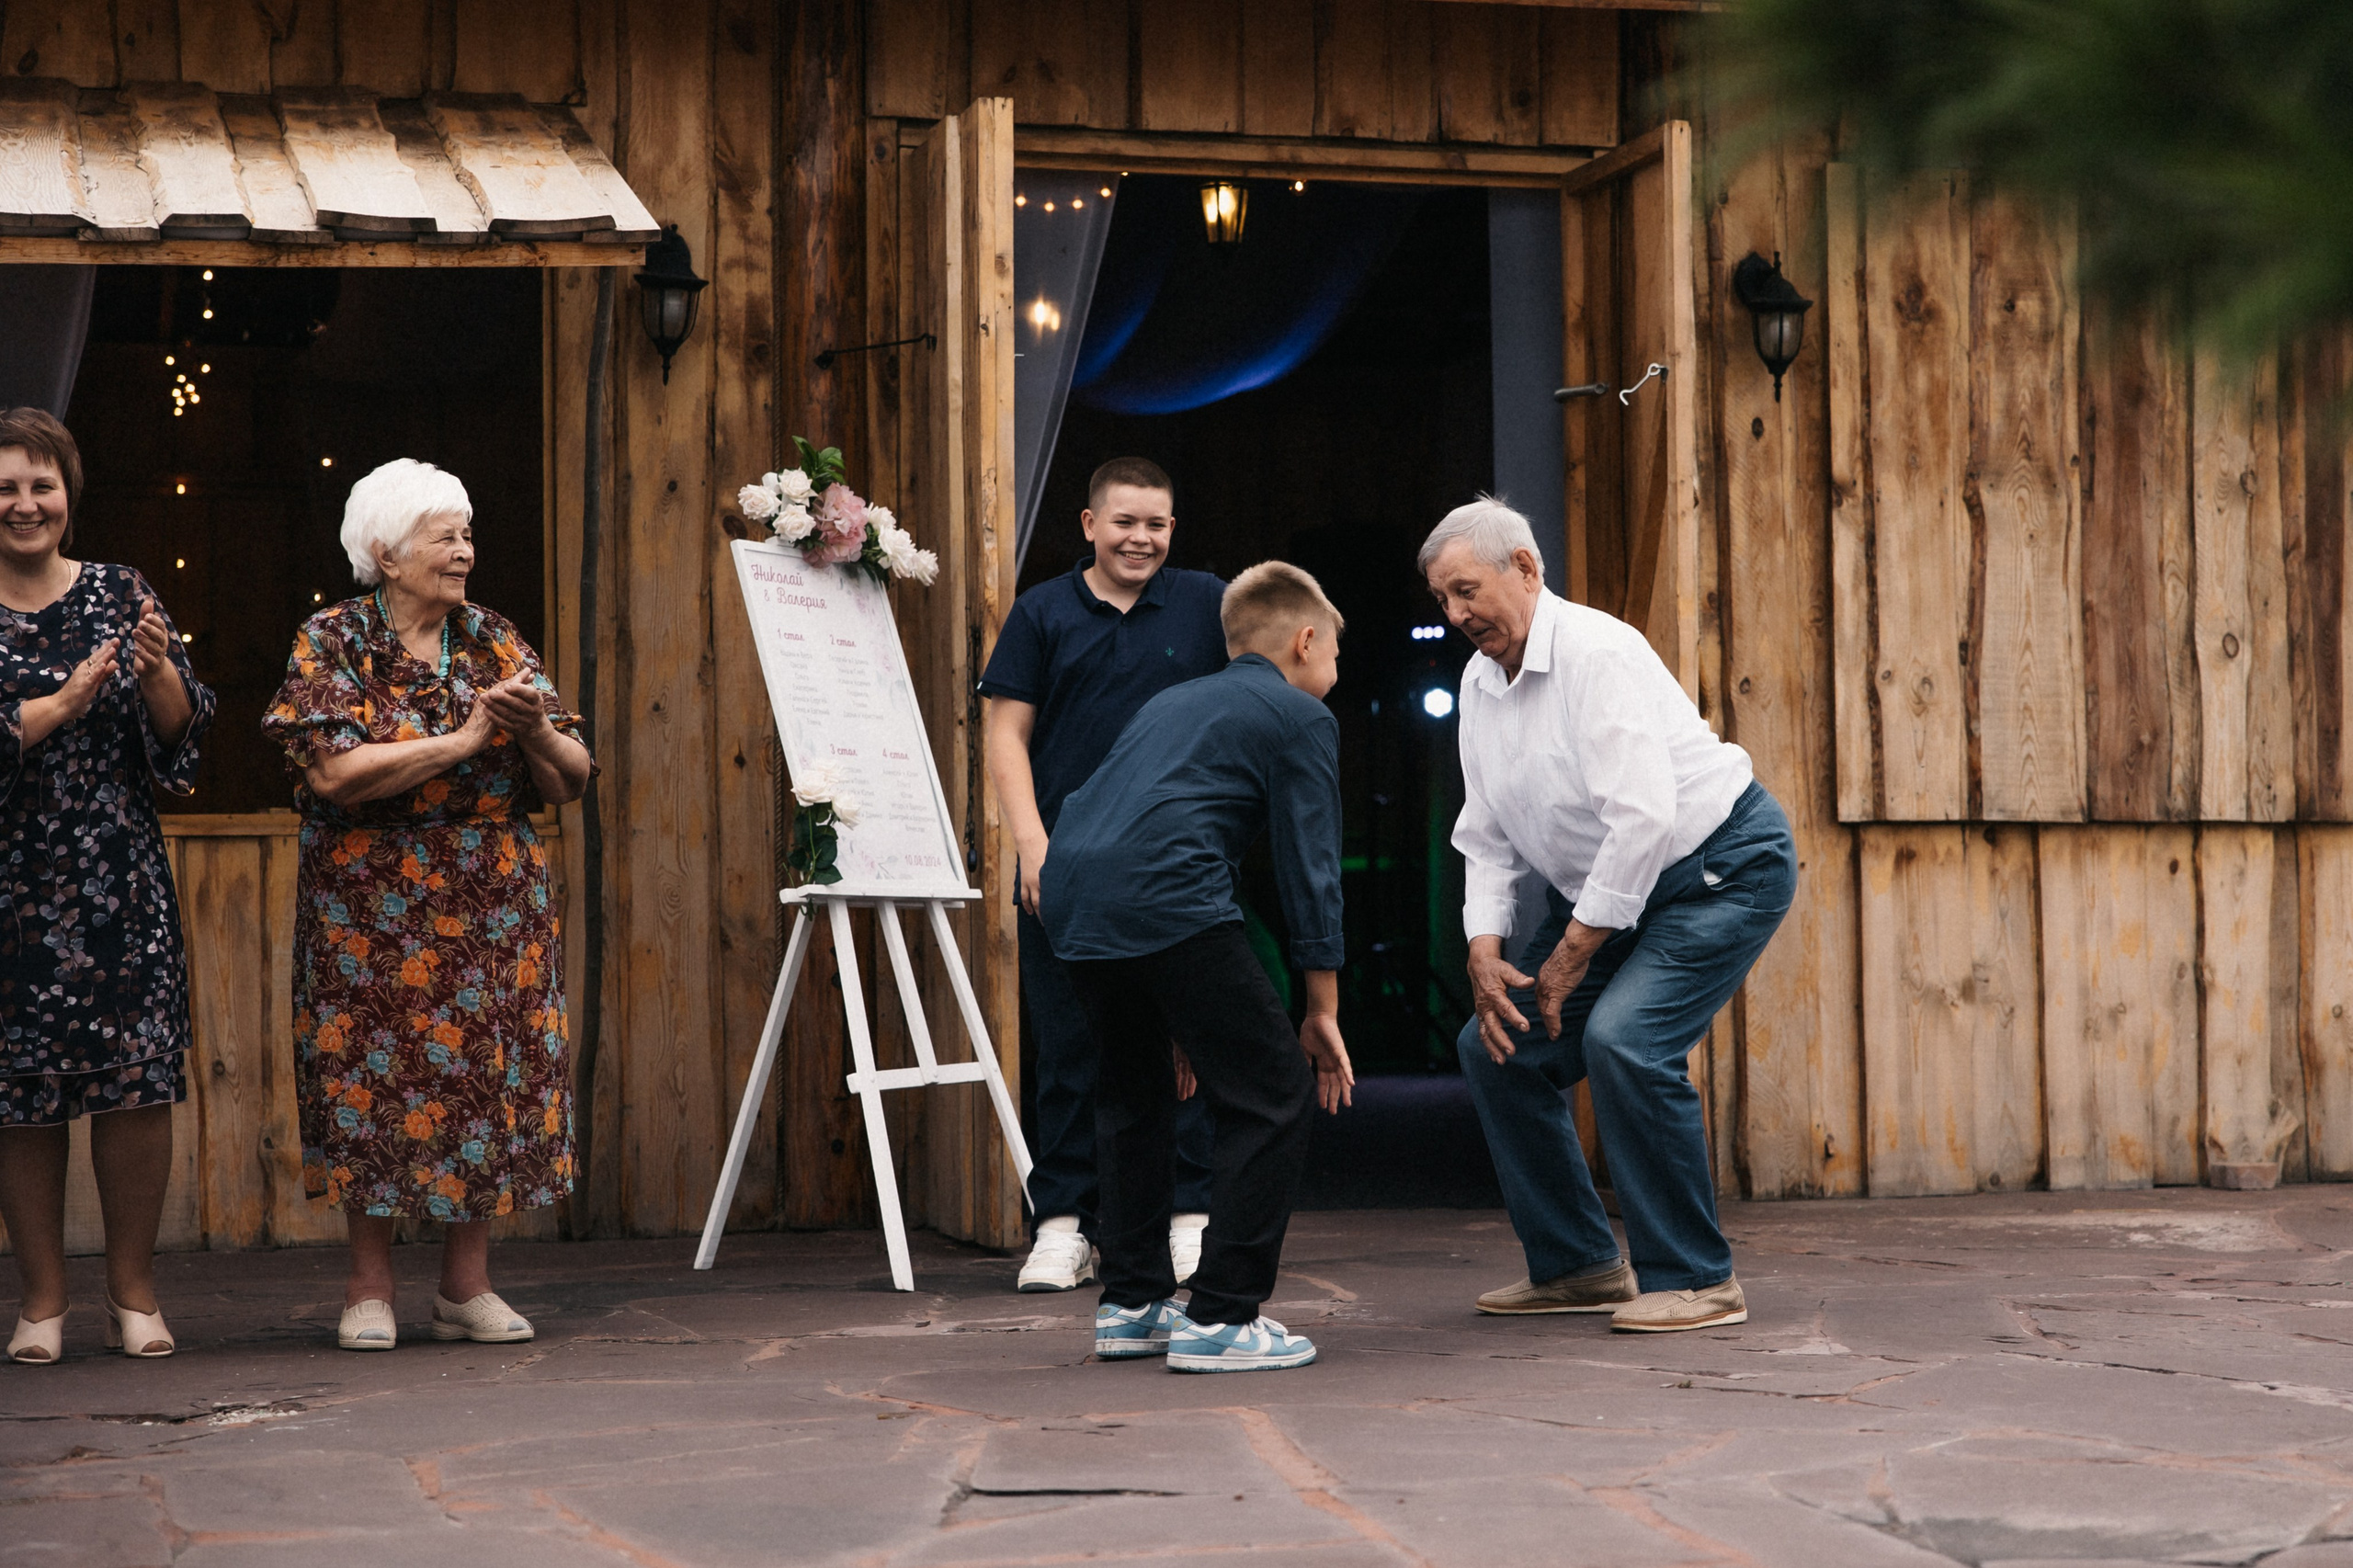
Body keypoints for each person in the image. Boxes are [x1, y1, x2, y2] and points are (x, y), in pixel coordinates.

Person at [1424, 498, 1796, 1333]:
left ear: (1525, 568)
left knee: (1624, 1041)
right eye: (1441, 600)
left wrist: (1569, 955)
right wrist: (1484, 949)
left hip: (1718, 868)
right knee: (1495, 1050)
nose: (1454, 615)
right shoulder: (1480, 683)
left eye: (1465, 590)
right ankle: (1579, 1266)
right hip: (1605, 891)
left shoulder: (1598, 652)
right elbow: (1484, 832)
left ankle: (1699, 1279)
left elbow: (1643, 817)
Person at [263, 459, 593, 1352]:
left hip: (491, 896)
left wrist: (534, 733)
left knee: (482, 1076)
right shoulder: (331, 640)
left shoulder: (492, 638)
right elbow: (334, 771)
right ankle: (369, 1287)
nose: (465, 552)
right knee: (369, 1076)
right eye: (446, 536)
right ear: (387, 550)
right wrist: (467, 737)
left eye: (467, 534)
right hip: (367, 901)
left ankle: (465, 1286)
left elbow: (572, 779)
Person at [1040, 562, 1354, 1372]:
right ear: (1305, 639)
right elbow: (1309, 871)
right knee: (1274, 1092)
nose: (1335, 672)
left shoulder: (1171, 701)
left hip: (1073, 894)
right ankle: (1220, 1316)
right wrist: (1320, 1010)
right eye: (1337, 654)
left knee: (1132, 1092)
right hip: (1165, 896)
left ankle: (1133, 1302)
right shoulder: (1297, 716)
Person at [980, 457, 1228, 1293]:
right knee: (1069, 1049)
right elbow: (1006, 736)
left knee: (1189, 1040)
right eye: (1125, 521)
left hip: (1177, 868)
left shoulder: (1206, 604)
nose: (1141, 538)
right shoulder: (1042, 611)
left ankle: (1190, 1219)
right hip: (1067, 868)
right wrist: (1033, 848)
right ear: (1089, 525)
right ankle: (1064, 1226)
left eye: (1156, 523)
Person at [0, 409, 214, 1366]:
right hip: (12, 885)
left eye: (40, 483)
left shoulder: (121, 590)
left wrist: (163, 675)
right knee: (21, 1097)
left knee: (135, 1085)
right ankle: (42, 1301)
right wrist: (55, 707)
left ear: (68, 495)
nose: (24, 502)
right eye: (6, 486)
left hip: (118, 876)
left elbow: (183, 744)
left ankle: (134, 1293)